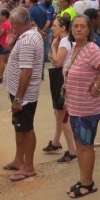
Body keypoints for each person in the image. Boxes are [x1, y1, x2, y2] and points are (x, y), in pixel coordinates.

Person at [63, 15, 100, 198]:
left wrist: (96, 86)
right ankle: (83, 178)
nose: (78, 29)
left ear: (88, 30)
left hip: (87, 109)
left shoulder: (92, 49)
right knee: (80, 145)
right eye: (75, 26)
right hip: (75, 107)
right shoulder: (75, 48)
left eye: (82, 26)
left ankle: (88, 183)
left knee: (85, 146)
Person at [3, 7, 44, 181]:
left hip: (24, 96)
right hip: (19, 92)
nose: (10, 27)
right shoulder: (29, 35)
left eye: (12, 24)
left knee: (26, 128)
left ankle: (28, 166)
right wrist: (11, 43)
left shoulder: (28, 41)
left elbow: (26, 71)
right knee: (19, 127)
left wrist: (19, 98)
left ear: (17, 23)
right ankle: (19, 160)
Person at [43, 16, 78, 163]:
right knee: (58, 112)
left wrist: (52, 47)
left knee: (62, 115)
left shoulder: (64, 42)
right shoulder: (65, 41)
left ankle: (72, 150)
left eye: (55, 26)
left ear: (63, 28)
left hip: (62, 78)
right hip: (61, 77)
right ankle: (56, 142)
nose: (52, 28)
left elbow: (57, 62)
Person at [0, 8, 11, 83]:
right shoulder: (10, 23)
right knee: (8, 61)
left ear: (4, 16)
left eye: (0, 15)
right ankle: (8, 77)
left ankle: (1, 77)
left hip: (2, 44)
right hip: (8, 44)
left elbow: (0, 34)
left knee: (1, 61)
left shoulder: (3, 24)